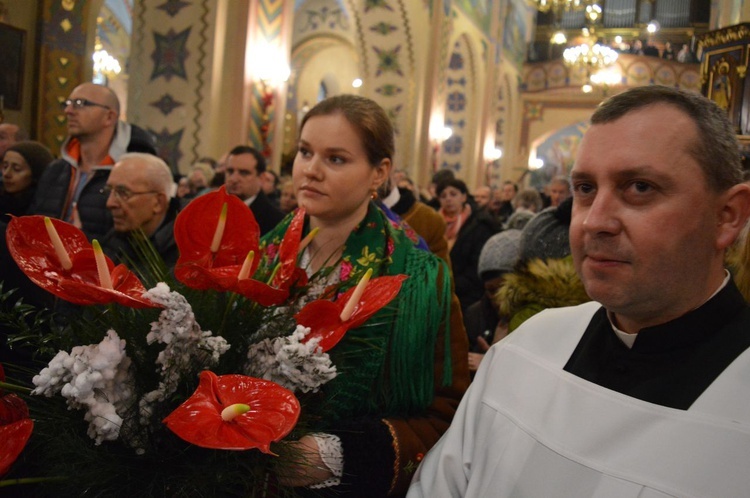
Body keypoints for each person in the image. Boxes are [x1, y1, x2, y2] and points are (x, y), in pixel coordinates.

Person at [408, 86, 750, 497]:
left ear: (727, 216)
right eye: (585, 189)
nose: (593, 222)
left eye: (639, 188)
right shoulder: (526, 347)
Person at [262, 94, 468, 497]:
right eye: (305, 152)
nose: (311, 170)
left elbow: (448, 416)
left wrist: (337, 455)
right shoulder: (261, 254)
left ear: (379, 173)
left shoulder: (420, 282)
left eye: (336, 159)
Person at [28, 82, 157, 241]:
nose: (68, 111)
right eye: (67, 104)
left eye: (80, 104)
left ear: (109, 117)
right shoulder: (55, 170)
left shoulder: (132, 175)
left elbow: (134, 241)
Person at [99, 153, 180, 272]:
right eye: (108, 191)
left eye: (123, 193)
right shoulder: (116, 237)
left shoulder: (182, 255)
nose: (110, 203)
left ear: (158, 202)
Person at [437, 178, 498, 313]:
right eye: (443, 196)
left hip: (466, 296)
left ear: (464, 197)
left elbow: (476, 266)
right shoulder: (434, 223)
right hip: (436, 292)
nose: (448, 199)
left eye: (453, 194)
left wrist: (450, 285)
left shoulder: (479, 225)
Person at [224, 144, 284, 235]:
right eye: (230, 171)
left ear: (261, 178)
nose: (234, 179)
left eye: (244, 173)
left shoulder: (277, 222)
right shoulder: (211, 211)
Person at [0, 141, 54, 222]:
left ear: (35, 174)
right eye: (5, 166)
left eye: (17, 169)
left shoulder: (45, 208)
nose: (7, 174)